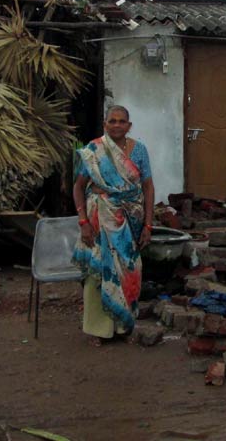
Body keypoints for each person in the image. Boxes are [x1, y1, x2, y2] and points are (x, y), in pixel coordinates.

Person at [72, 105, 154, 345]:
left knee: (130, 270)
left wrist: (148, 225)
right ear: (105, 124)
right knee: (98, 273)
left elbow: (148, 187)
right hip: (99, 220)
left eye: (122, 121)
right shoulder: (93, 150)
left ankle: (122, 326)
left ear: (129, 126)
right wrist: (83, 222)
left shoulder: (139, 151)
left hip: (131, 220)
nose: (117, 125)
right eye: (112, 121)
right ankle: (98, 330)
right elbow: (78, 187)